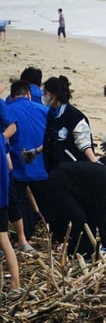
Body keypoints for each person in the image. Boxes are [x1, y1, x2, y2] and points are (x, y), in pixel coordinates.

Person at [42, 161, 106, 258]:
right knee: (79, 217)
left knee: (90, 217)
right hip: (60, 182)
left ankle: (87, 250)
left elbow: (95, 214)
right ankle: (71, 249)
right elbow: (102, 217)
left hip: (76, 187)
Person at [3, 79, 49, 252]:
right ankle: (52, 236)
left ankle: (24, 238)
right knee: (45, 202)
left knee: (20, 203)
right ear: (29, 94)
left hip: (19, 168)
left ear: (12, 96)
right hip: (42, 168)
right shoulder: (44, 110)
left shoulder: (8, 111)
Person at [40, 75, 99, 170]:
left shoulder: (74, 116)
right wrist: (36, 151)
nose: (43, 96)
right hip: (54, 169)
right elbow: (52, 139)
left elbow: (84, 143)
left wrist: (95, 163)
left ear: (54, 95)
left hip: (73, 170)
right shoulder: (52, 114)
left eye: (45, 93)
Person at [0, 130, 19, 291]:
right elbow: (10, 166)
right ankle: (15, 284)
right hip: (3, 198)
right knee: (4, 240)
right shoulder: (2, 140)